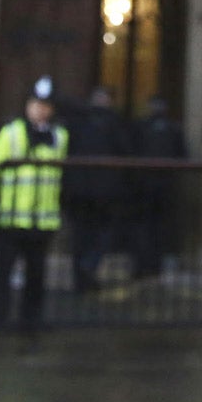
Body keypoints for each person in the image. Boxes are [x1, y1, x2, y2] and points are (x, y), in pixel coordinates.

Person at [0, 76, 68, 341]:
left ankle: (30, 322)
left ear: (51, 109)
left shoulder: (59, 136)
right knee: (2, 272)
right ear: (28, 105)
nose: (40, 109)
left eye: (45, 105)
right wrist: (3, 198)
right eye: (35, 104)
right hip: (11, 217)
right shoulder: (12, 132)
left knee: (36, 275)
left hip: (42, 220)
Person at [62, 85, 128, 294]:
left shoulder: (77, 121)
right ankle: (88, 268)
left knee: (81, 236)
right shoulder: (115, 123)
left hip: (78, 189)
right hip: (104, 190)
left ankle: (81, 279)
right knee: (103, 233)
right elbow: (125, 150)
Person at [130, 93, 189, 278]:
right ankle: (148, 265)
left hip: (150, 185)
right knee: (152, 227)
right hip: (157, 185)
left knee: (149, 226)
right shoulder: (168, 128)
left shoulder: (147, 127)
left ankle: (147, 265)